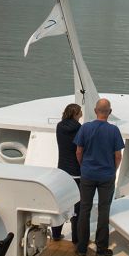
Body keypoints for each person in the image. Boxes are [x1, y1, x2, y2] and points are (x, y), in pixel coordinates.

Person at [74, 98, 124, 256]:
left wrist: (83, 166)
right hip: (106, 175)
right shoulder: (114, 131)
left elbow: (78, 152)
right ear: (109, 112)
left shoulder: (85, 128)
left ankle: (82, 247)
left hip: (87, 173)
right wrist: (113, 170)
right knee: (104, 211)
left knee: (84, 209)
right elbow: (118, 156)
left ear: (95, 111)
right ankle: (101, 249)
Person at [52, 103, 84, 240]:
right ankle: (76, 238)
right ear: (76, 114)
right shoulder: (79, 128)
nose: (81, 114)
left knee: (61, 202)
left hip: (62, 169)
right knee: (77, 205)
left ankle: (56, 234)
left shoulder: (59, 126)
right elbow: (79, 150)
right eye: (80, 112)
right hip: (76, 171)